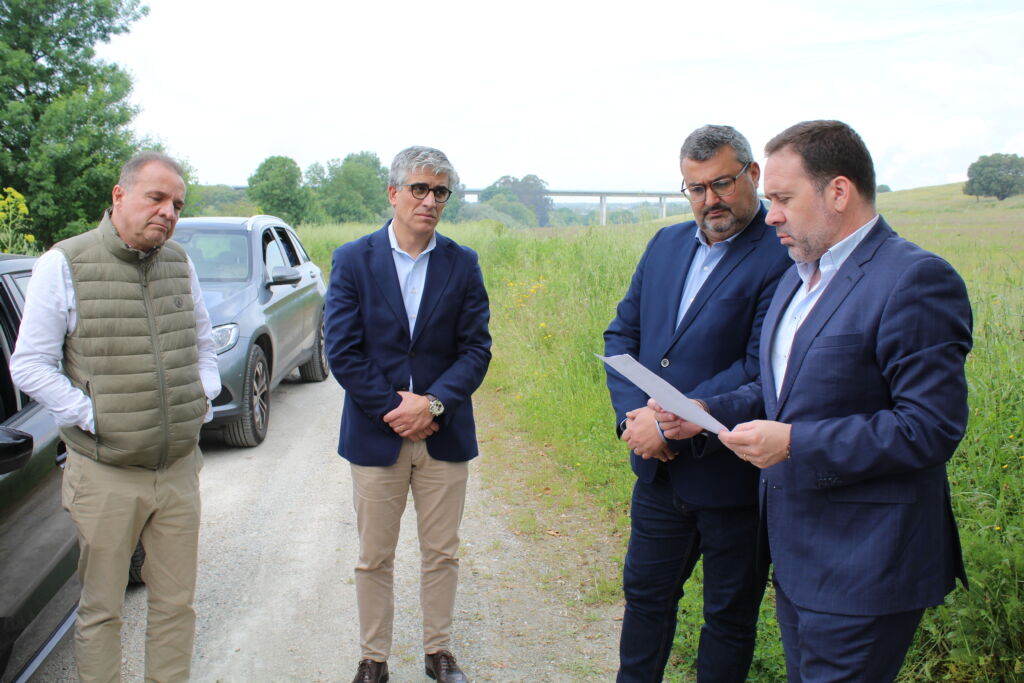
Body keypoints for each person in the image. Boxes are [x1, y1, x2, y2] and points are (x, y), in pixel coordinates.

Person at [654, 120, 972, 682]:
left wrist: (796, 443)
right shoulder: (798, 277)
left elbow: (929, 427)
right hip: (796, 557)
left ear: (839, 192)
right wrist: (705, 413)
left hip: (866, 562)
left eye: (783, 199)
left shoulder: (914, 279)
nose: (770, 215)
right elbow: (777, 391)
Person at [10, 151, 220, 683]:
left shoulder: (179, 262)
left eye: (177, 204)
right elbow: (29, 364)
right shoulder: (64, 263)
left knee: (176, 605)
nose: (168, 212)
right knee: (102, 610)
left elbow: (203, 342)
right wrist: (93, 415)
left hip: (177, 469)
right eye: (157, 198)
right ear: (119, 196)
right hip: (105, 473)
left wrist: (203, 396)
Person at [604, 125, 791, 682]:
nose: (710, 200)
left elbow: (761, 366)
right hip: (659, 473)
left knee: (728, 618)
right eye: (696, 188)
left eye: (722, 183)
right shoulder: (664, 245)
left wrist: (675, 420)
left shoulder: (782, 251)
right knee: (645, 598)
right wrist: (634, 421)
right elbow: (622, 337)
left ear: (752, 175)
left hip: (733, 475)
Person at [324, 146, 491, 683]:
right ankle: (373, 658)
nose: (430, 201)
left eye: (440, 192)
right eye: (419, 188)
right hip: (377, 435)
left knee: (441, 552)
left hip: (444, 433)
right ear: (394, 193)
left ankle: (438, 652)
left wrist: (433, 404)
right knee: (374, 555)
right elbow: (342, 350)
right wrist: (395, 408)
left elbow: (476, 350)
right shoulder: (354, 259)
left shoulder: (462, 263)